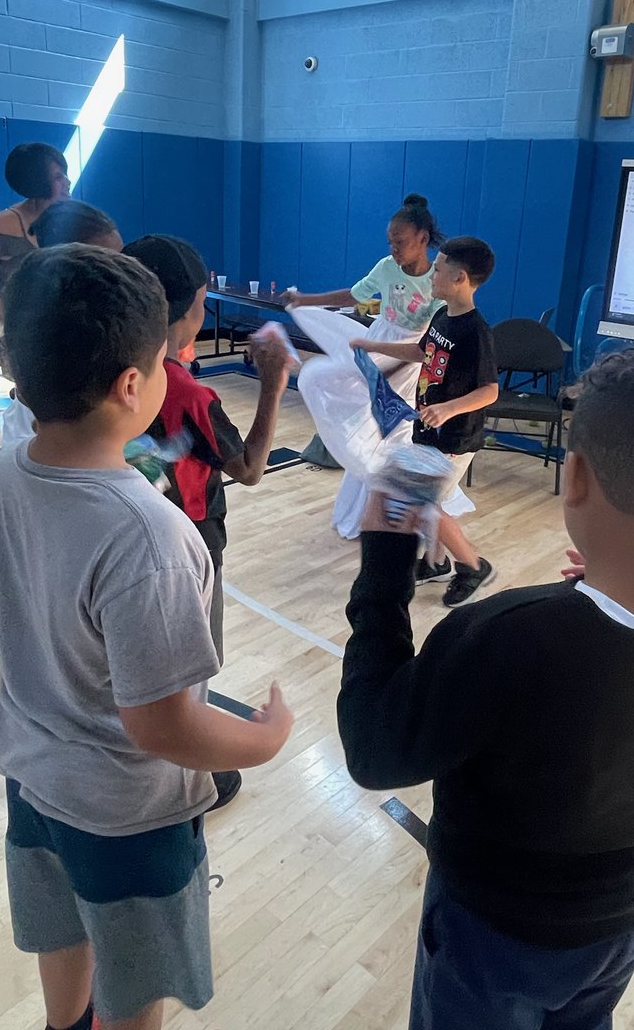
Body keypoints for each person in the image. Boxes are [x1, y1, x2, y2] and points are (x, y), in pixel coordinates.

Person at [337, 343, 634, 1030]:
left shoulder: (502, 637)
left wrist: (385, 566)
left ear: (573, 478)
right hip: (631, 920)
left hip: (495, 932)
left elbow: (373, 751)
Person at [0, 244, 293, 1030]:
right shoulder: (152, 537)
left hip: (33, 782)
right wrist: (266, 739)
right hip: (127, 814)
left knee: (64, 932)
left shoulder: (1, 472)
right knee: (139, 978)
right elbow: (164, 725)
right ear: (132, 385)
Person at [122, 235, 293, 808]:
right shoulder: (189, 392)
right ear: (193, 305)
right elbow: (247, 468)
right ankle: (184, 776)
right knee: (189, 669)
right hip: (190, 546)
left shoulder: (114, 371)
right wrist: (274, 381)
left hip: (127, 535)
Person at [285, 194, 465, 538]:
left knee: (392, 435)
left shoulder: (436, 283)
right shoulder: (386, 268)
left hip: (410, 360)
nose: (394, 249)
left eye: (400, 242)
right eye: (391, 242)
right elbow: (354, 294)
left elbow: (429, 344)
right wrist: (305, 300)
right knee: (347, 404)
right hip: (379, 345)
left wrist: (385, 374)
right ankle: (367, 511)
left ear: (423, 239)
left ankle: (399, 516)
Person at [351, 236, 499, 607]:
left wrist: (448, 409)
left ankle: (473, 566)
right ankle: (437, 562)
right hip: (428, 429)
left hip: (455, 438)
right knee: (424, 501)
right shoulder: (442, 315)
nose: (431, 273)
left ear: (460, 277)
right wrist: (374, 346)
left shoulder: (475, 331)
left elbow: (490, 391)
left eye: (439, 268)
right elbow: (422, 351)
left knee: (430, 504)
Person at [0, 201, 123, 446]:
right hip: (42, 438)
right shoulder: (43, 312)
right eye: (106, 260)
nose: (119, 270)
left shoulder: (98, 304)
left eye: (120, 258)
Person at [0, 142, 70, 383]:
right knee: (35, 399)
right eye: (58, 177)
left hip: (56, 323)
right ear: (37, 182)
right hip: (19, 331)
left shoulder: (66, 217)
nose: (67, 182)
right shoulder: (5, 223)